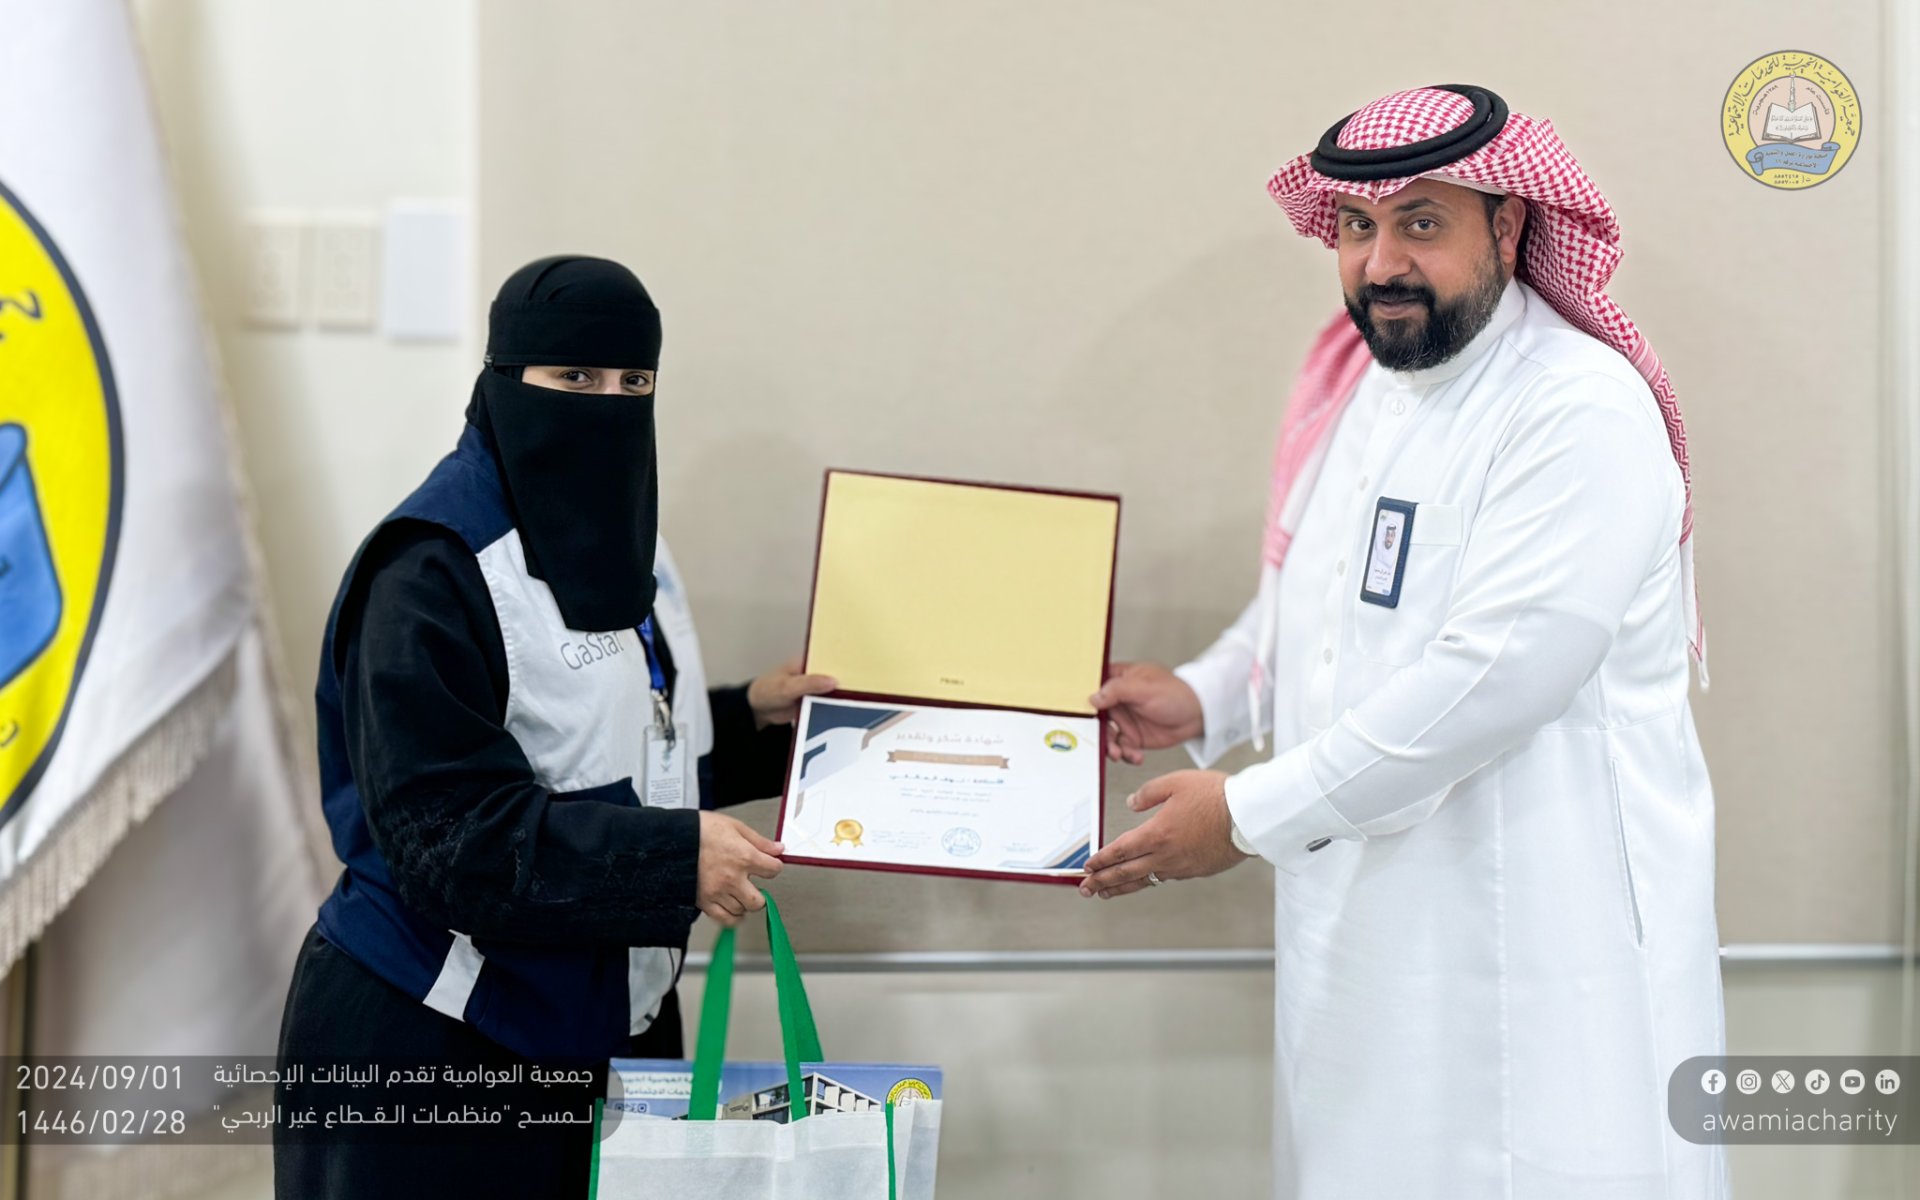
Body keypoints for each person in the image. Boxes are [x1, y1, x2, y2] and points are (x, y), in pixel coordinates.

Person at [1082, 86, 1728, 1198]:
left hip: (1532, 939)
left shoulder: (1574, 407)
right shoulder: (1368, 388)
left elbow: (1497, 677)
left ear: (1510, 226)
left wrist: (1244, 813)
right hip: (1360, 936)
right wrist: (1206, 695)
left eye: (1421, 223)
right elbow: (1319, 599)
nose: (1382, 263)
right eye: (1357, 226)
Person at [273, 255, 834, 1198]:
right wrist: (672, 862)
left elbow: (603, 750)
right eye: (574, 376)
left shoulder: (631, 545)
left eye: (633, 382)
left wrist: (751, 719)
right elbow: (452, 841)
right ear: (505, 377)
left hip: (604, 1027)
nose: (607, 405)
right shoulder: (429, 570)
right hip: (436, 1041)